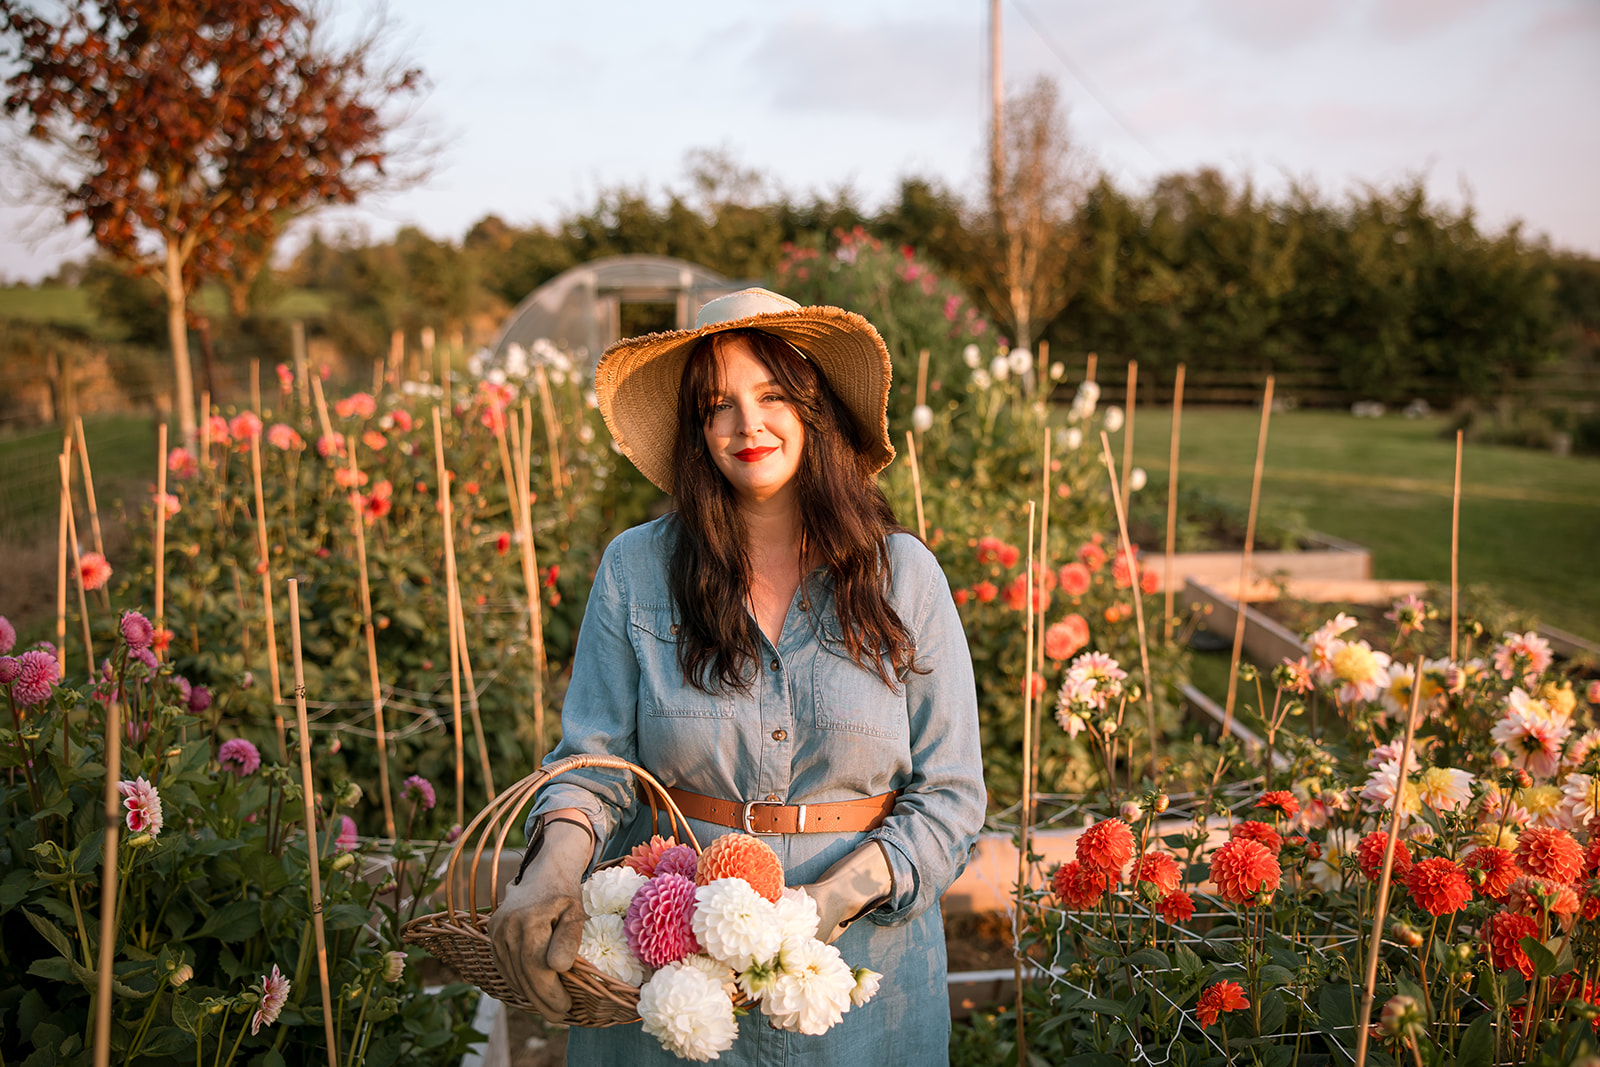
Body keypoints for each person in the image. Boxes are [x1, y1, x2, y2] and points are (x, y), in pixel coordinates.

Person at [489, 287, 985, 1065]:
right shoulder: (637, 570)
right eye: (718, 404)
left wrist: (831, 900)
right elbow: (593, 766)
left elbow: (952, 797)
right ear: (697, 430)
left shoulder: (903, 576)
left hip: (860, 983)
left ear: (814, 410)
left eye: (772, 395)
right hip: (669, 969)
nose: (746, 424)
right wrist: (552, 864)